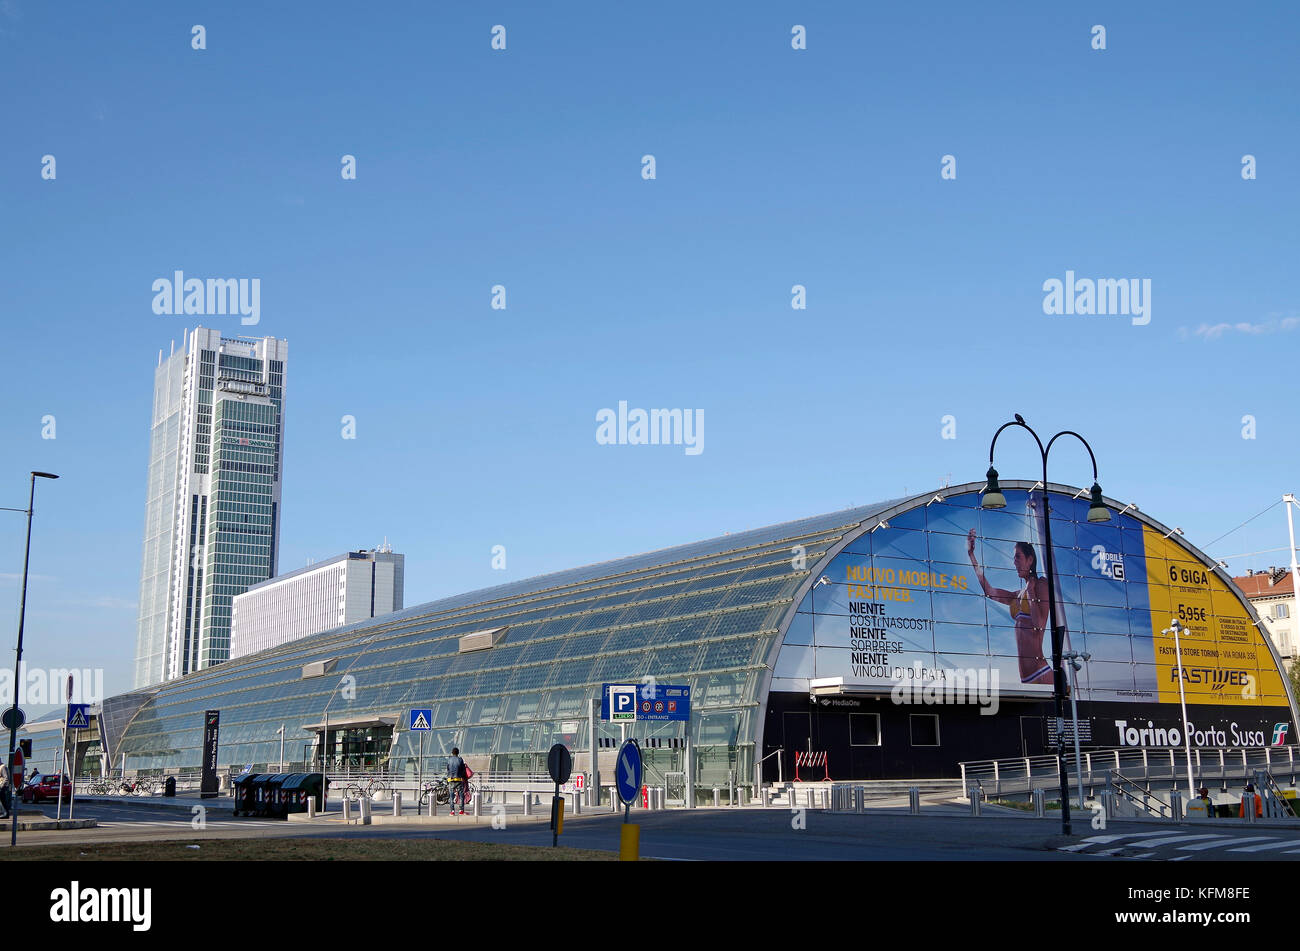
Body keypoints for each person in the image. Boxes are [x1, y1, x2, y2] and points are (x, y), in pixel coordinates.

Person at [967, 528, 1053, 684]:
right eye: (1014, 559)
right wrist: (972, 556)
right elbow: (989, 591)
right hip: (1026, 677)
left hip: (1040, 672)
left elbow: (1039, 625)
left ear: (1030, 559)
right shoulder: (1016, 595)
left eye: (1018, 557)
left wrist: (1032, 592)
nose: (1014, 562)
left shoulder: (1040, 585)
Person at [446, 747, 467, 815]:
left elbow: (448, 768)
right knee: (461, 795)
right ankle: (461, 810)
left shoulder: (449, 760)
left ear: (452, 753)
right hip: (458, 779)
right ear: (458, 753)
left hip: (450, 779)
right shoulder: (460, 759)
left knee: (451, 796)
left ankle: (452, 811)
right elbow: (463, 770)